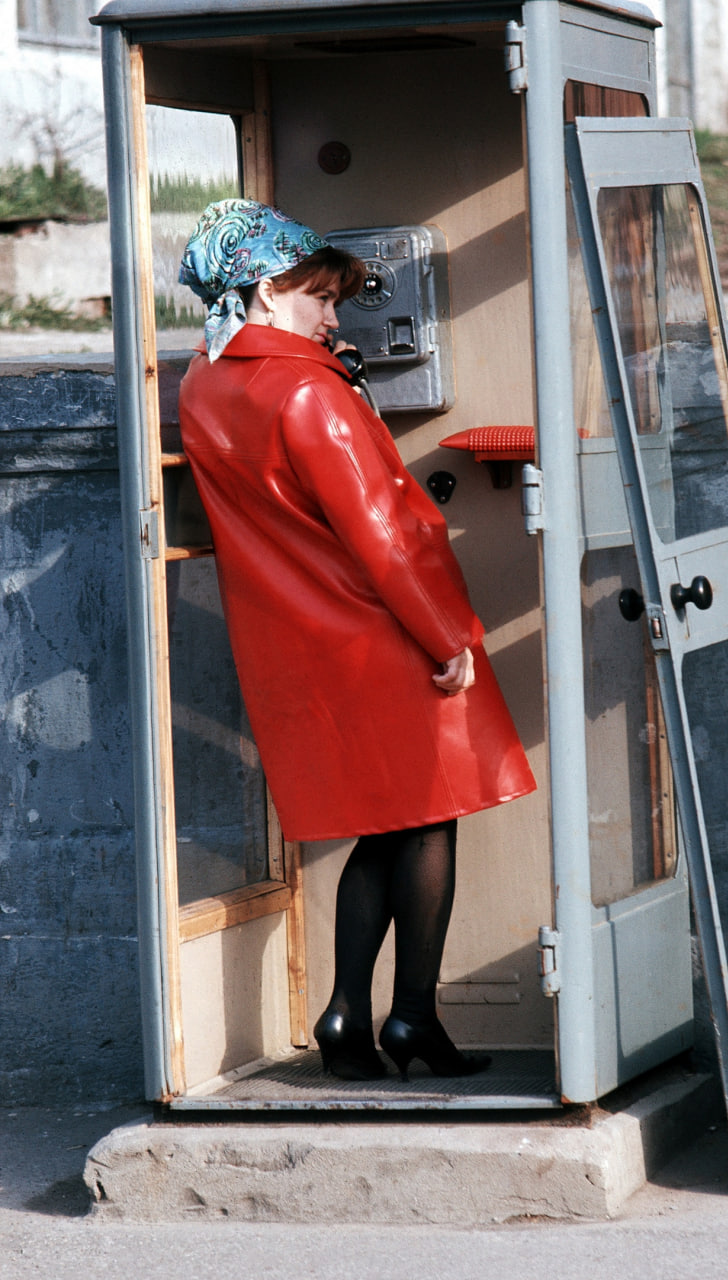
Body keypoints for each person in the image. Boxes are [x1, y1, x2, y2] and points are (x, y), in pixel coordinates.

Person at [177, 199, 536, 1083]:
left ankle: (350, 1017)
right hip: (380, 630)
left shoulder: (204, 384)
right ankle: (408, 1017)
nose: (333, 316)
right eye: (318, 299)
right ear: (266, 291)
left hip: (299, 638)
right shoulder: (308, 391)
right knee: (423, 825)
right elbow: (378, 528)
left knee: (385, 826)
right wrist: (445, 636)